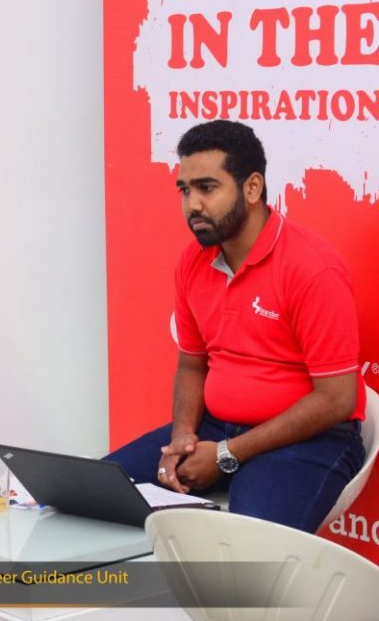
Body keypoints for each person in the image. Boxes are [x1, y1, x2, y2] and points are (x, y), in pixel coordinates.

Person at [105, 120, 366, 532]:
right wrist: (183, 438)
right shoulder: (193, 262)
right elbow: (192, 364)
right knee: (95, 495)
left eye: (207, 188)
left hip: (309, 439)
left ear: (252, 188)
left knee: (248, 542)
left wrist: (228, 453)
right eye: (185, 190)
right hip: (215, 428)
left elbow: (336, 399)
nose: (192, 205)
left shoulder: (313, 268)